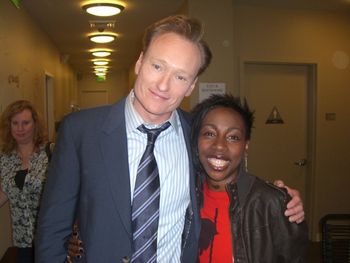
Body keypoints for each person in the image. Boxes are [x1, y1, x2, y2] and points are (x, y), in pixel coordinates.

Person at [35, 15, 305, 262]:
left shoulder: (198, 136)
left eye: (180, 76)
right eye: (157, 66)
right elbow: (53, 226)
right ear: (140, 62)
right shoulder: (80, 131)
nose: (163, 85)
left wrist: (280, 199)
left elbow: (231, 184)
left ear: (191, 86)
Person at [191, 94, 309, 262]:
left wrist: (282, 200)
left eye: (233, 137)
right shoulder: (186, 196)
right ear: (196, 141)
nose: (219, 145)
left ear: (245, 147)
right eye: (209, 133)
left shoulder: (272, 203)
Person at [0, 100, 49, 263]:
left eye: (26, 123)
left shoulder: (50, 153)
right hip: (22, 241)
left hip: (50, 238)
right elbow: (4, 193)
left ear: (35, 124)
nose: (20, 129)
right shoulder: (5, 159)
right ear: (9, 125)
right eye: (15, 123)